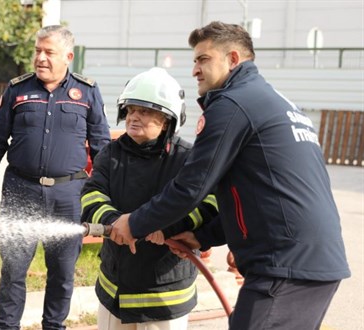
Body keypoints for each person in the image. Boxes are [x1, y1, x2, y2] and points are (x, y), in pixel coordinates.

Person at [109, 21, 351, 329]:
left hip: (285, 266)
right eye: (194, 60)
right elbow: (258, 194)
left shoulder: (233, 104)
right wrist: (202, 235)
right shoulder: (275, 101)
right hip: (310, 262)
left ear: (233, 59)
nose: (195, 69)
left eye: (203, 59)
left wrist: (134, 223)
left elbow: (191, 186)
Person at [0, 24, 111, 330]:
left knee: (62, 274)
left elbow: (103, 148)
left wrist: (109, 196)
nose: (41, 58)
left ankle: (54, 326)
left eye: (49, 52)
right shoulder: (17, 90)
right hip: (21, 192)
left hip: (69, 197)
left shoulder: (87, 91)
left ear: (68, 56)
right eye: (37, 51)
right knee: (13, 270)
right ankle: (7, 327)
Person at [80, 67, 218, 330]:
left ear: (166, 120)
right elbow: (91, 195)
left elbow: (208, 205)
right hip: (115, 291)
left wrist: (168, 226)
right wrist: (115, 223)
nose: (133, 117)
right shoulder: (111, 154)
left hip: (164, 296)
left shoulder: (188, 159)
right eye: (130, 110)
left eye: (144, 111)